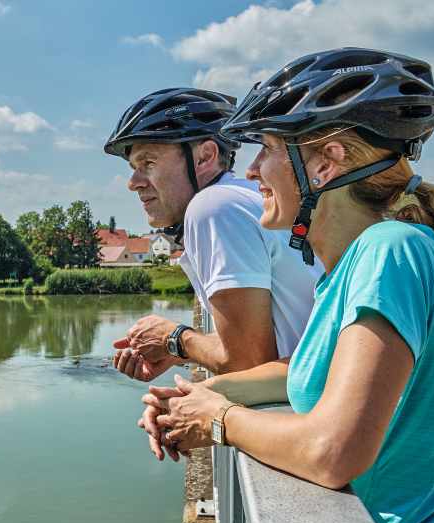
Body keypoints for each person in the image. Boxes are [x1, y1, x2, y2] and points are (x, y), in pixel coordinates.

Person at [139, 48, 434, 523]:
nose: (252, 171)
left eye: (265, 150)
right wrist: (194, 397)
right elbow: (303, 375)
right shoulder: (353, 266)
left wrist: (220, 422)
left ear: (326, 162)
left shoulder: (391, 252)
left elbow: (333, 452)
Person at [103, 89, 320, 413]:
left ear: (205, 157)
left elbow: (248, 364)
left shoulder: (215, 207)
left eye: (148, 163)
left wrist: (174, 338)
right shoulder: (244, 197)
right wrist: (182, 352)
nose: (132, 182)